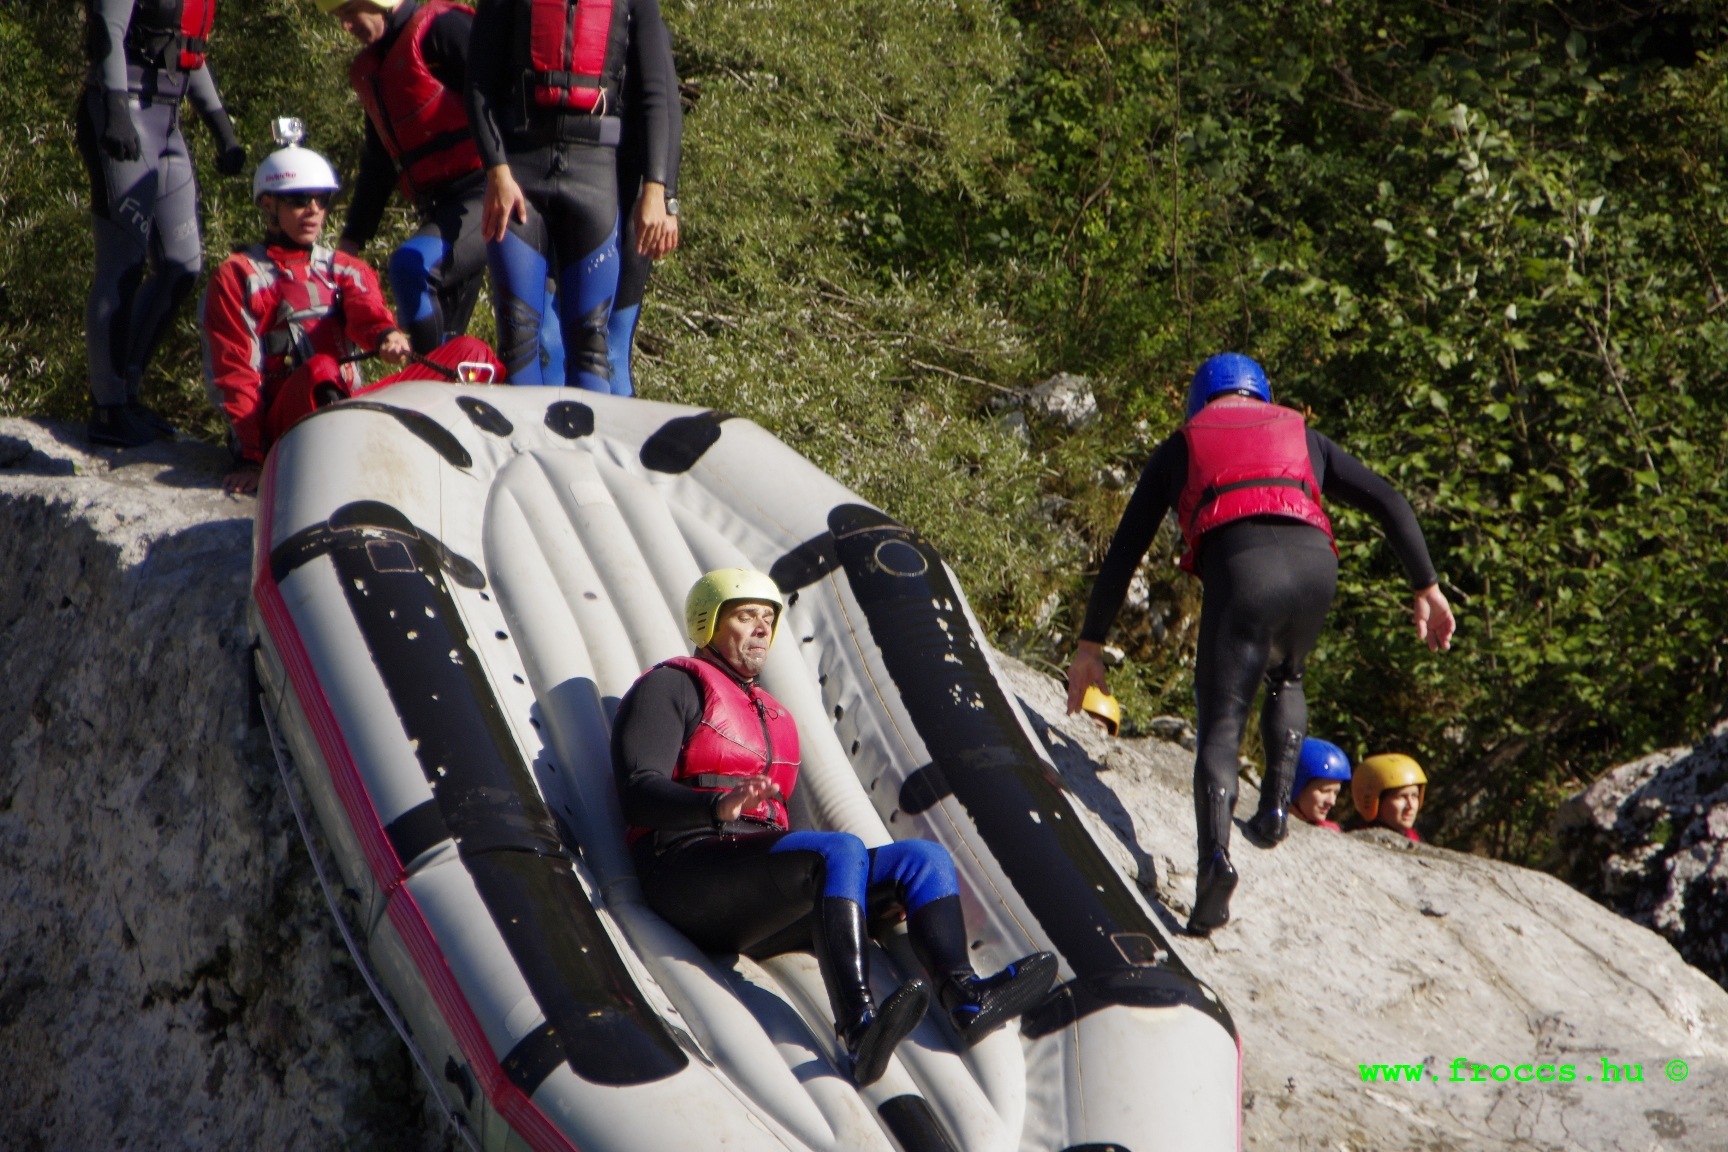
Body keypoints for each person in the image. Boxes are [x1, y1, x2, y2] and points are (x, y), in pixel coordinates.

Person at [613, 569, 1057, 1085]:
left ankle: (964, 996)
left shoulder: (777, 719)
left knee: (922, 860)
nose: (761, 628)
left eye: (767, 618)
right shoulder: (671, 685)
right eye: (745, 616)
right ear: (707, 623)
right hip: (686, 874)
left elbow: (800, 837)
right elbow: (637, 791)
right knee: (840, 851)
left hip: (754, 892)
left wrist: (853, 889)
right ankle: (859, 1026)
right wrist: (717, 806)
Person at [1065, 353, 1455, 936]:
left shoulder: (1181, 446)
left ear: (1200, 402)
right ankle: (1274, 809)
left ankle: (1214, 863)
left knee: (1221, 723)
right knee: (1287, 676)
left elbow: (1125, 552)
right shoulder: (1303, 433)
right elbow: (1389, 501)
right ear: (1263, 397)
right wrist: (1426, 585)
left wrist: (1090, 645)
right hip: (1316, 565)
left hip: (1244, 566)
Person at [466, 0, 679, 387]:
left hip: (593, 174)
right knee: (518, 340)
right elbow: (479, 81)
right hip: (519, 175)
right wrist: (497, 170)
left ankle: (590, 428)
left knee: (592, 346)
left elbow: (657, 95)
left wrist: (657, 188)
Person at [200, 128, 410, 495]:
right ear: (269, 205)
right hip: (282, 428)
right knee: (321, 369)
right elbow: (234, 371)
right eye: (299, 199)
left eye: (322, 200)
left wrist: (386, 335)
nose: (313, 210)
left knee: (467, 354)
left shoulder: (345, 268)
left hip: (348, 410)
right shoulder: (238, 275)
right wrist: (250, 457)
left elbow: (366, 311)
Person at [78, 0, 246, 447]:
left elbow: (189, 52)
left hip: (168, 120)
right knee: (123, 263)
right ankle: (107, 408)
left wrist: (223, 131)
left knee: (181, 264)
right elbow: (108, 32)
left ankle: (128, 395)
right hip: (121, 113)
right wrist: (116, 110)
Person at [318, 0, 490, 357]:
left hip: (486, 193)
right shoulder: (377, 67)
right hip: (441, 208)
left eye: (349, 13)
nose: (346, 27)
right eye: (339, 18)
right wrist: (351, 241)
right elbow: (378, 164)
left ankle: (426, 376)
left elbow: (506, 94)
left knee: (411, 265)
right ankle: (437, 378)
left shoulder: (443, 29)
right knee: (449, 343)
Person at [605, 5, 681, 395]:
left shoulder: (641, 19)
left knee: (611, 346)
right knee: (559, 339)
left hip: (636, 193)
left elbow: (666, 108)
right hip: (580, 187)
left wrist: (666, 198)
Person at [1351, 754, 1426, 842]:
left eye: (1414, 796)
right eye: (1401, 797)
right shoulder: (1354, 840)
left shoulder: (1414, 838)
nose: (1411, 806)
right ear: (1376, 801)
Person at [1290, 738, 1350, 831]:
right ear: (1297, 787)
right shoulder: (1271, 826)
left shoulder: (1330, 830)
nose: (1332, 802)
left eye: (1336, 793)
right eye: (1324, 791)